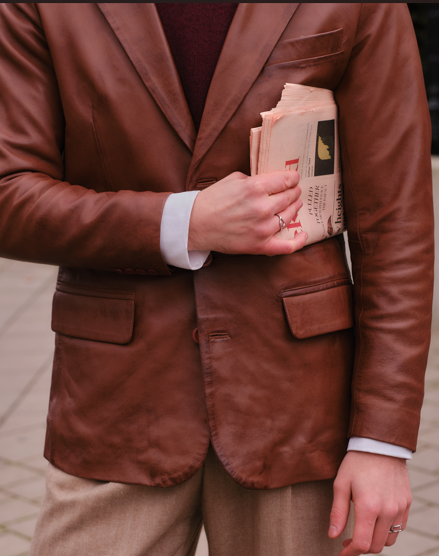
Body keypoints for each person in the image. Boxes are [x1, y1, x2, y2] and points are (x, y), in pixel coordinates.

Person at [0, 3, 433, 556]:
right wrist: (183, 222)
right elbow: (10, 190)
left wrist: (382, 440)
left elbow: (396, 224)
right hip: (117, 403)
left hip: (297, 410)